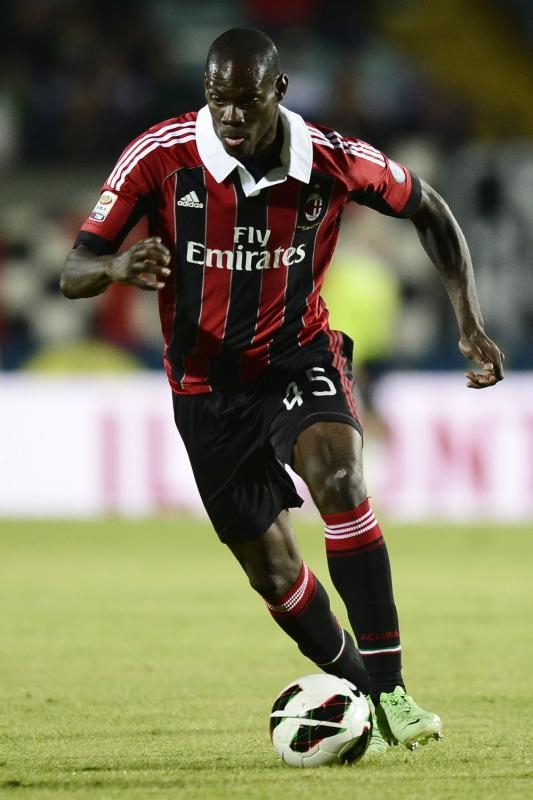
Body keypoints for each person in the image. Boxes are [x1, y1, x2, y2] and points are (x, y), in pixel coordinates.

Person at [60, 28, 504, 754]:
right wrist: (112, 269)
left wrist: (469, 323)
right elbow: (74, 269)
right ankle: (361, 689)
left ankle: (391, 692)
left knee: (340, 477)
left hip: (296, 356)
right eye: (218, 99)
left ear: (279, 91)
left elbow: (429, 207)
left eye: (246, 99)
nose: (231, 116)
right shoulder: (159, 155)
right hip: (203, 384)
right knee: (272, 572)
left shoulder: (331, 158)